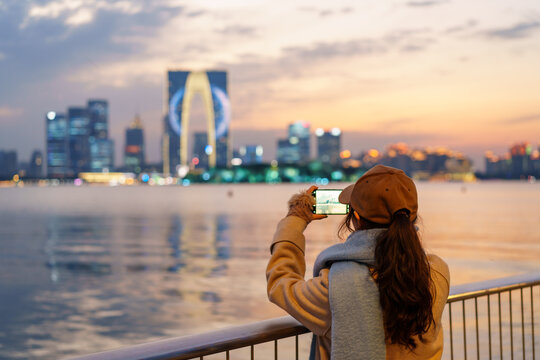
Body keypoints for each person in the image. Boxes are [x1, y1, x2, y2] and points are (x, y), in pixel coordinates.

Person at [266, 165, 450, 360]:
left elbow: (280, 284)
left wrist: (294, 219)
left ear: (356, 218)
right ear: (411, 217)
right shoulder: (435, 272)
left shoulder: (337, 286)